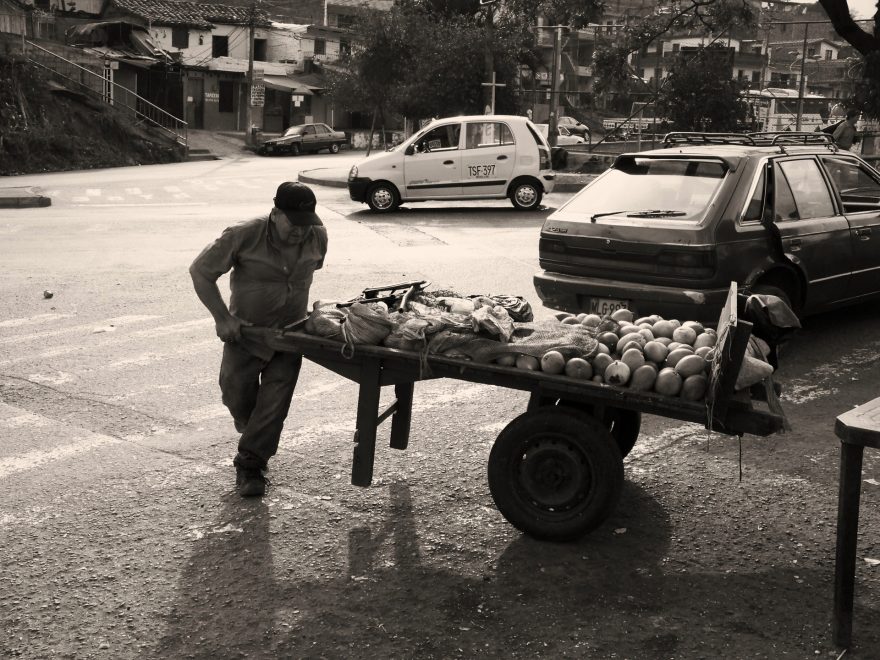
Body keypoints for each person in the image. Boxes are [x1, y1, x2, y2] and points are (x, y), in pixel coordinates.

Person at [189, 182, 328, 497]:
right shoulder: (244, 235)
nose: (301, 232)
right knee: (236, 396)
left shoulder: (318, 235)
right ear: (276, 213)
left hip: (291, 335)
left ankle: (251, 464)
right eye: (294, 223)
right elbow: (200, 272)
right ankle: (255, 433)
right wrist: (223, 318)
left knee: (275, 403)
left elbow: (312, 269)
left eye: (307, 224)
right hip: (246, 335)